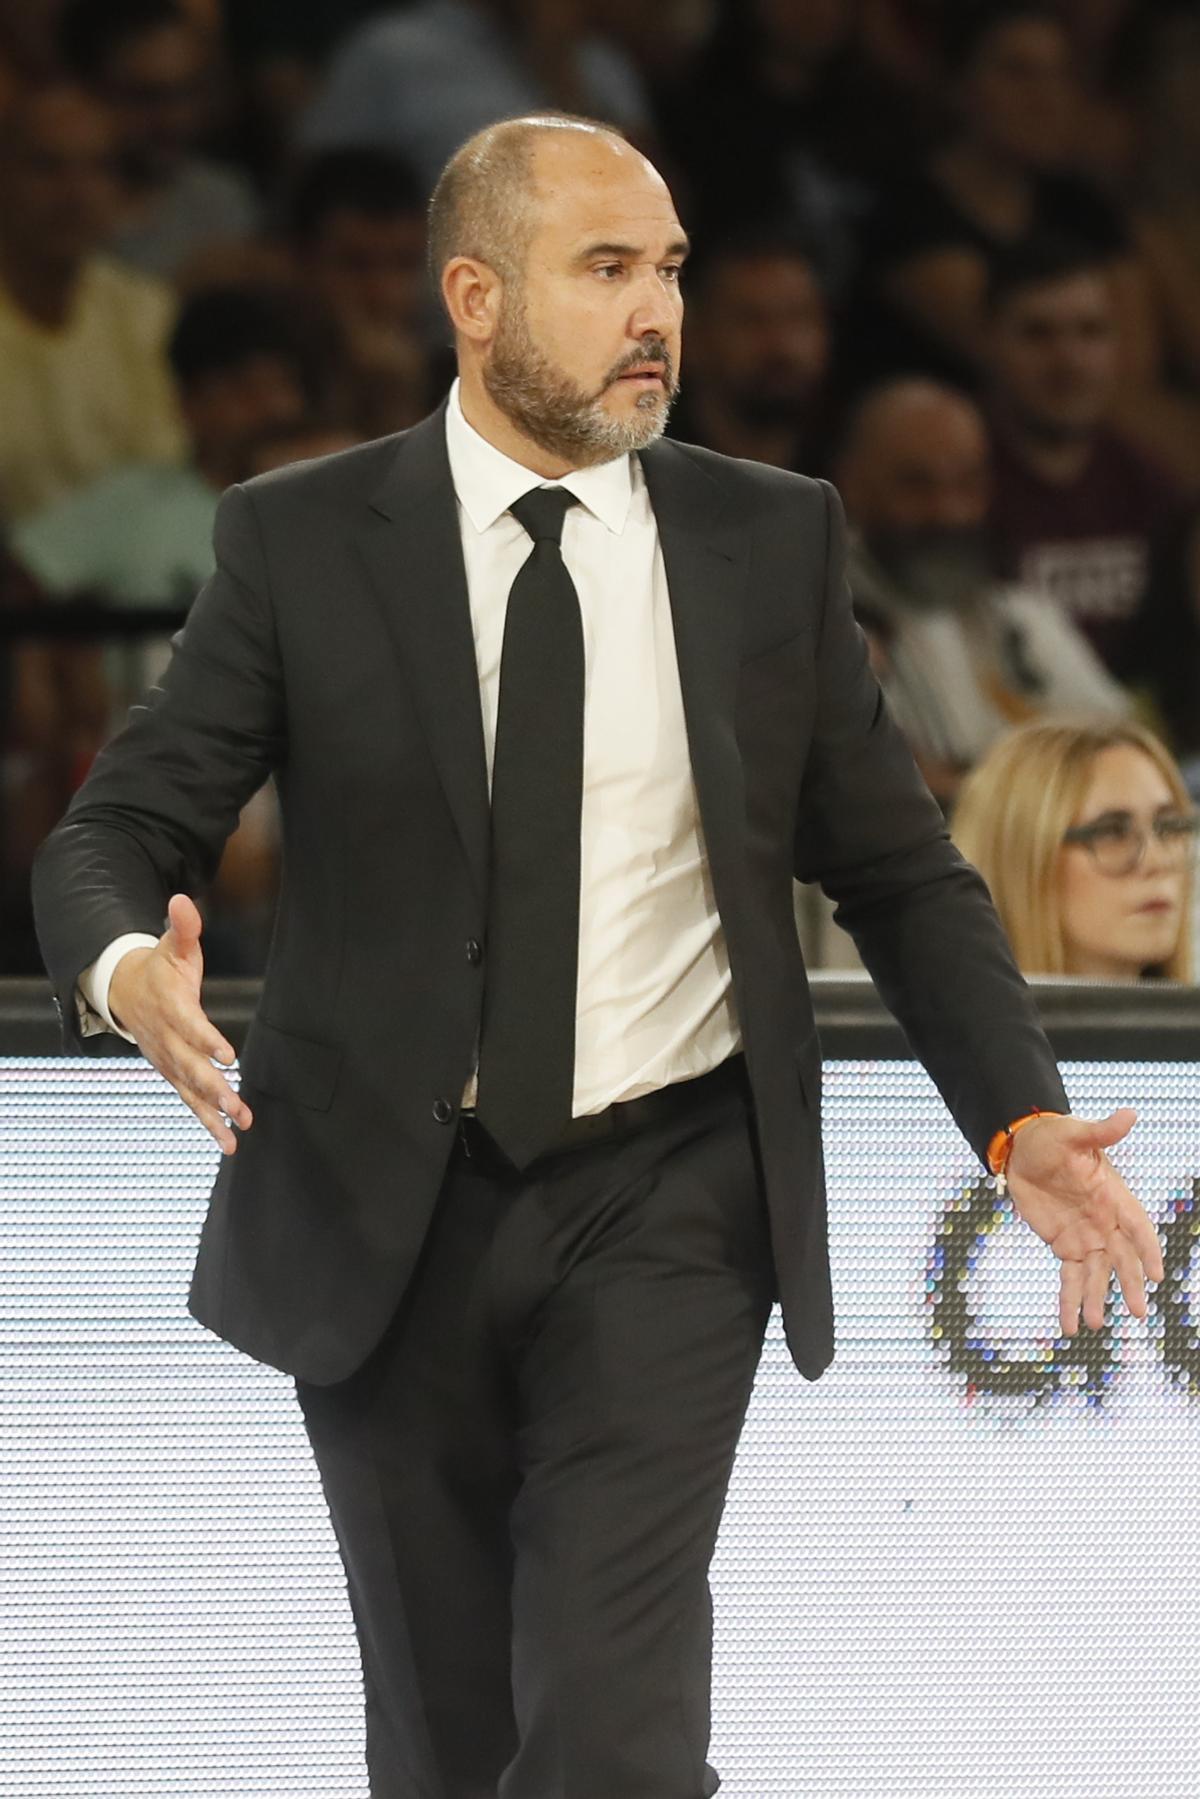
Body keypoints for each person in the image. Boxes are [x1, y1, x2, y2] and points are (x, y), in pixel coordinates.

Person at [32, 114, 1165, 1799]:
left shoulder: (769, 541)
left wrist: (1020, 1118)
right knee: (444, 1746)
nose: (660, 311)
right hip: (381, 1210)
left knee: (612, 1737)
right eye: (609, 267)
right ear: (475, 296)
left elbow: (904, 874)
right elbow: (111, 831)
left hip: (668, 1198)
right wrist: (130, 968)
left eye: (674, 270)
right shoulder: (305, 539)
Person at [836, 377, 1127, 808]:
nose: (948, 511)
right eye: (917, 485)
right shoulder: (826, 623)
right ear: (854, 483)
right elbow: (878, 790)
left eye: (966, 484)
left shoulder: (1023, 617)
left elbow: (1120, 745)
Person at [984, 234, 1183, 680]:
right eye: (1038, 334)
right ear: (990, 341)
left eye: (1090, 332)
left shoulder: (1154, 489)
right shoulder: (951, 489)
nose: (1068, 360)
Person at [0, 83, 184, 523]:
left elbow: (167, 471)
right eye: (47, 166)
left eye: (98, 168)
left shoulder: (148, 311)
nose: (75, 192)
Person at [952, 718, 1196, 980]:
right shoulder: (944, 1019)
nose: (1158, 862)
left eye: (1169, 827)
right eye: (1112, 832)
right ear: (1023, 861)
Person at [57, 0, 261, 282]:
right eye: (146, 97)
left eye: (186, 92)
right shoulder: (49, 212)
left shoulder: (222, 202)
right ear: (84, 91)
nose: (177, 119)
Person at [288, 148, 445, 438]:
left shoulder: (460, 380)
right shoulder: (263, 385)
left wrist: (397, 399)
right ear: (301, 263)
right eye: (354, 265)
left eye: (404, 264)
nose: (382, 292)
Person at [665, 226, 833, 475]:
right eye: (751, 320)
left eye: (798, 317)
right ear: (694, 337)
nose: (781, 343)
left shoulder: (850, 456)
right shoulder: (654, 468)